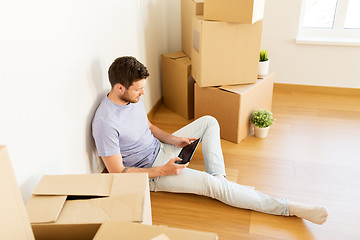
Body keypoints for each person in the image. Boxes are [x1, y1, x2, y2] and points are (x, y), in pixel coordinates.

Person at [92, 56, 328, 225]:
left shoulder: (131, 98)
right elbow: (118, 174)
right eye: (138, 90)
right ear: (120, 87)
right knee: (211, 185)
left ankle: (221, 181)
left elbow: (150, 126)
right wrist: (163, 170)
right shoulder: (105, 123)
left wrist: (175, 138)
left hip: (161, 148)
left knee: (209, 121)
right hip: (151, 173)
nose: (143, 94)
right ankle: (287, 207)